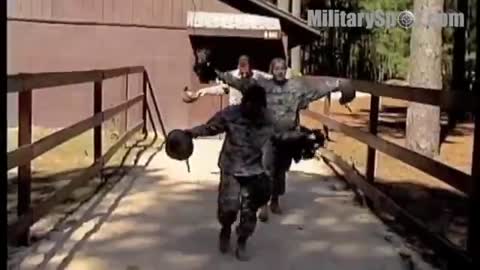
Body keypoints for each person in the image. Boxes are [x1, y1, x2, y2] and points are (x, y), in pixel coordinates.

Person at [215, 57, 356, 222]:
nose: (280, 71)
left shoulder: (296, 87)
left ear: (286, 70)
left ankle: (275, 199)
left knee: (281, 170)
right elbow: (242, 84)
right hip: (267, 135)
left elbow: (318, 87)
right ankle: (264, 204)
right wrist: (222, 75)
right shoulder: (263, 86)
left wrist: (340, 84)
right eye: (276, 68)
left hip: (287, 136)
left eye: (282, 68)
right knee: (266, 168)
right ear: (272, 70)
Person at [182, 84, 275, 261]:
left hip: (253, 170)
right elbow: (210, 127)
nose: (253, 109)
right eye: (250, 105)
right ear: (244, 102)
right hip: (231, 166)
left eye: (257, 107)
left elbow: (281, 135)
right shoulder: (231, 114)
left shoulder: (268, 118)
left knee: (249, 211)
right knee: (228, 207)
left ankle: (242, 241)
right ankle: (225, 229)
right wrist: (191, 133)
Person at [190, 55, 271, 105]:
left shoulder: (258, 75)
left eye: (247, 73)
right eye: (242, 73)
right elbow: (222, 89)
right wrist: (204, 91)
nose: (245, 75)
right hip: (235, 111)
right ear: (238, 68)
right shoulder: (231, 76)